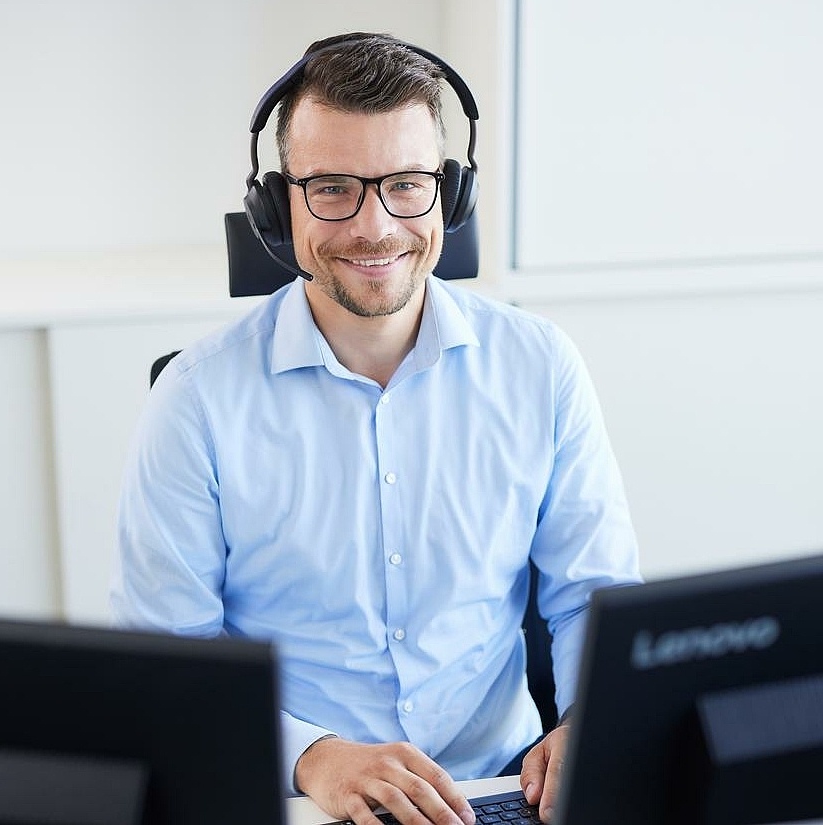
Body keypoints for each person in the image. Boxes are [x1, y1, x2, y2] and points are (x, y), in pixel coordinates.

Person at [111, 32, 641, 825]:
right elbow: (166, 658)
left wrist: (589, 721)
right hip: (300, 797)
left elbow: (588, 594)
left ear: (449, 194)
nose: (374, 226)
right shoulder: (196, 399)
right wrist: (311, 753)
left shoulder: (539, 366)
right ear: (275, 203)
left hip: (499, 790)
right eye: (330, 187)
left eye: (403, 184)